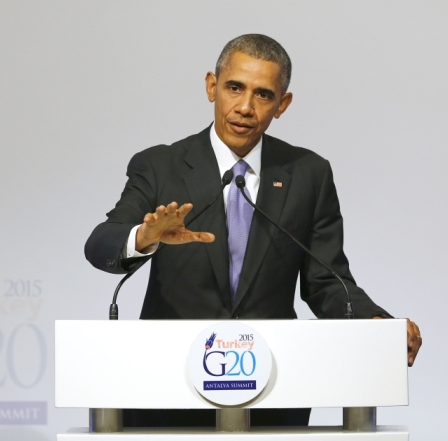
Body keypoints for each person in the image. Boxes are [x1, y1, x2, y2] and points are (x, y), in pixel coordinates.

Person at [85, 34, 422, 428]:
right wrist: (145, 237)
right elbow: (100, 245)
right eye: (234, 88)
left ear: (283, 104)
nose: (245, 107)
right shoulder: (161, 166)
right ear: (212, 86)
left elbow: (327, 282)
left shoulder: (307, 174)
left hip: (273, 393)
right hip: (167, 390)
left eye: (263, 95)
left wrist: (375, 324)